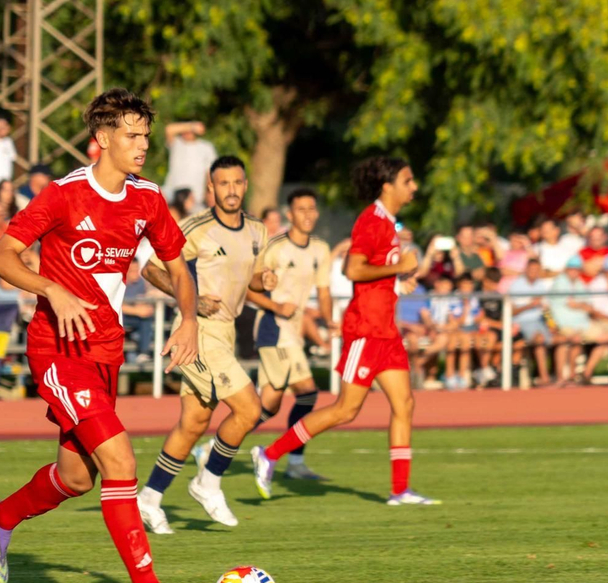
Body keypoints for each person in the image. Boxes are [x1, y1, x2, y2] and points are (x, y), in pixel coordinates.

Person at [0, 87, 200, 583]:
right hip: (57, 350)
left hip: (105, 352)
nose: (143, 144)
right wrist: (49, 289)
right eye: (132, 135)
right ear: (101, 141)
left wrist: (189, 317)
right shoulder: (61, 195)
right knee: (121, 461)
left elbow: (177, 265)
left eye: (146, 134)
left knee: (77, 478)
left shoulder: (147, 199)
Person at [252, 156, 439, 505]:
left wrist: (397, 284)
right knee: (345, 410)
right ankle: (270, 454)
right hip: (366, 330)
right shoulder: (372, 220)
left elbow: (377, 275)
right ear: (388, 185)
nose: (414, 186)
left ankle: (400, 491)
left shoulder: (389, 222)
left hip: (386, 330)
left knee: (405, 403)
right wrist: (400, 265)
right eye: (408, 180)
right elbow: (354, 270)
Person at [137, 156, 273, 532]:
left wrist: (267, 280)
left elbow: (251, 279)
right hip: (198, 330)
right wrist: (192, 301)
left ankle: (149, 498)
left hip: (224, 331)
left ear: (245, 185)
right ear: (211, 188)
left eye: (237, 183)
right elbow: (150, 266)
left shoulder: (258, 231)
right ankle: (208, 481)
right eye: (222, 184)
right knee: (249, 410)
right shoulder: (196, 227)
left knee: (194, 421)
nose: (231, 190)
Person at [246, 187, 334, 481]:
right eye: (301, 209)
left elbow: (323, 291)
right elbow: (250, 288)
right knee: (308, 393)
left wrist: (330, 320)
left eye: (312, 209)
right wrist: (275, 304)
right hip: (273, 327)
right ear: (289, 214)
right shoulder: (277, 247)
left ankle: (213, 449)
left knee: (268, 407)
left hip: (292, 332)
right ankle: (292, 460)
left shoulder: (320, 249)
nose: (307, 215)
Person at [162, 120, 218, 211]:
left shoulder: (206, 147)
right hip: (172, 193)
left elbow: (210, 174)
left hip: (195, 199)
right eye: (184, 129)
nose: (186, 132)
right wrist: (192, 126)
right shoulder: (177, 143)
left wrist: (210, 193)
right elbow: (169, 130)